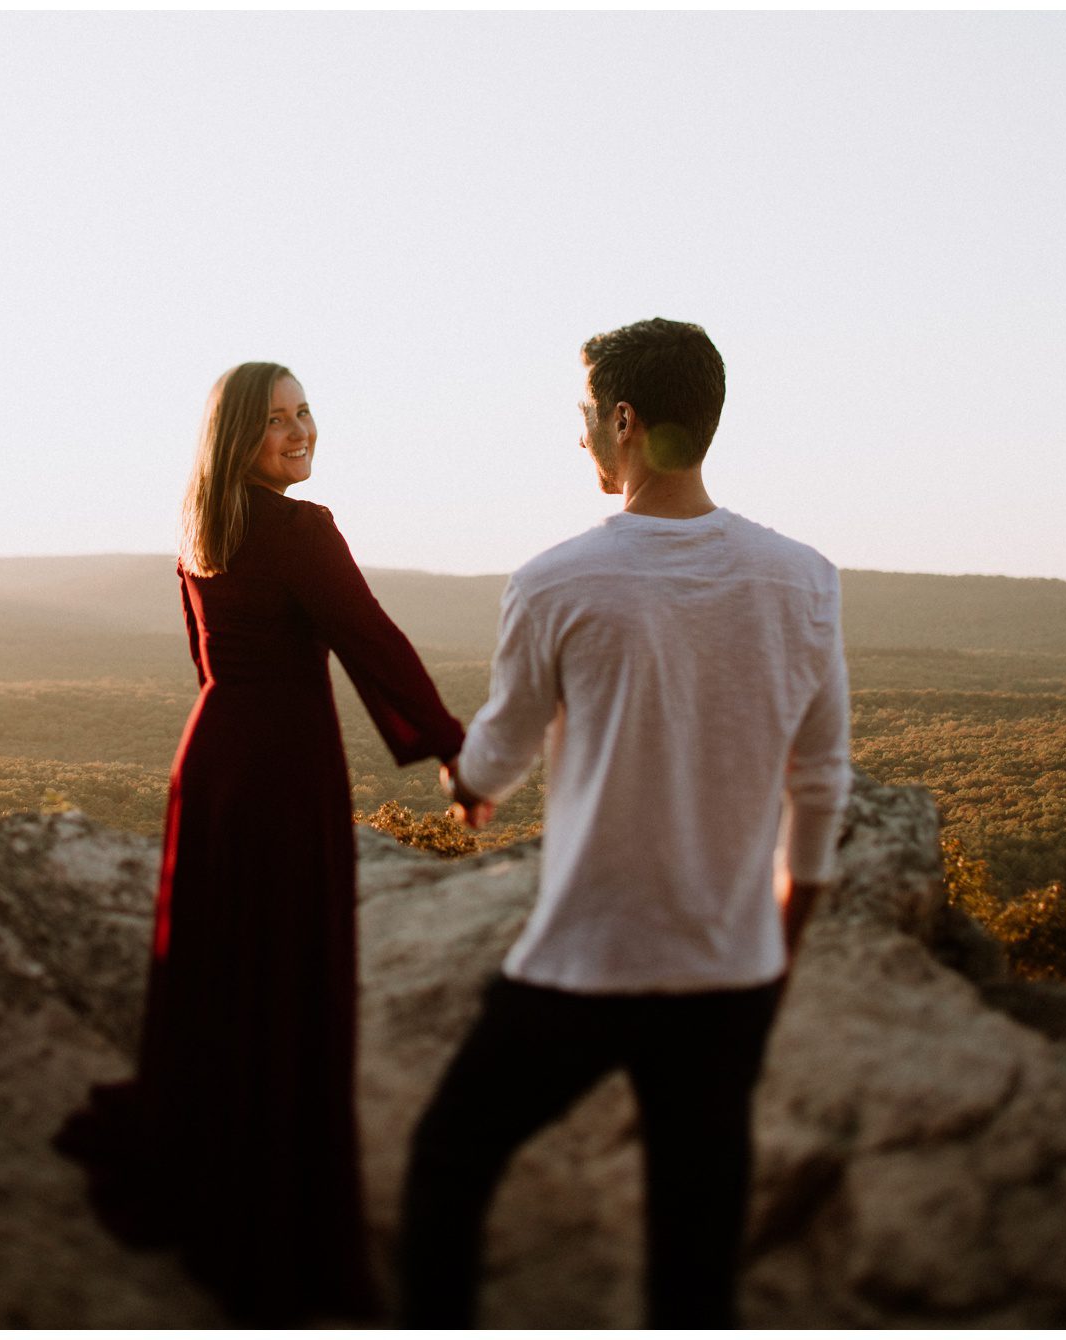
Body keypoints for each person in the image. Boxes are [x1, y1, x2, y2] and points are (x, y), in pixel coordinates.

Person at [396, 318, 852, 1328]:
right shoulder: (803, 579)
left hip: (586, 958)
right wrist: (777, 941)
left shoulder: (557, 579)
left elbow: (500, 753)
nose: (580, 442)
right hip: (726, 971)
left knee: (450, 1158)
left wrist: (459, 780)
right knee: (694, 1252)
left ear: (625, 421)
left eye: (584, 419)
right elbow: (819, 783)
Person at [55, 361, 465, 1324]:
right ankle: (280, 1211)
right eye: (277, 420)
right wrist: (451, 747)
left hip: (211, 759)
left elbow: (207, 661)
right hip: (282, 769)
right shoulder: (299, 530)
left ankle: (203, 1160)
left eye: (305, 412)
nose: (299, 431)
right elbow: (373, 641)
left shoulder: (201, 528)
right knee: (285, 978)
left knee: (216, 970)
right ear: (237, 435)